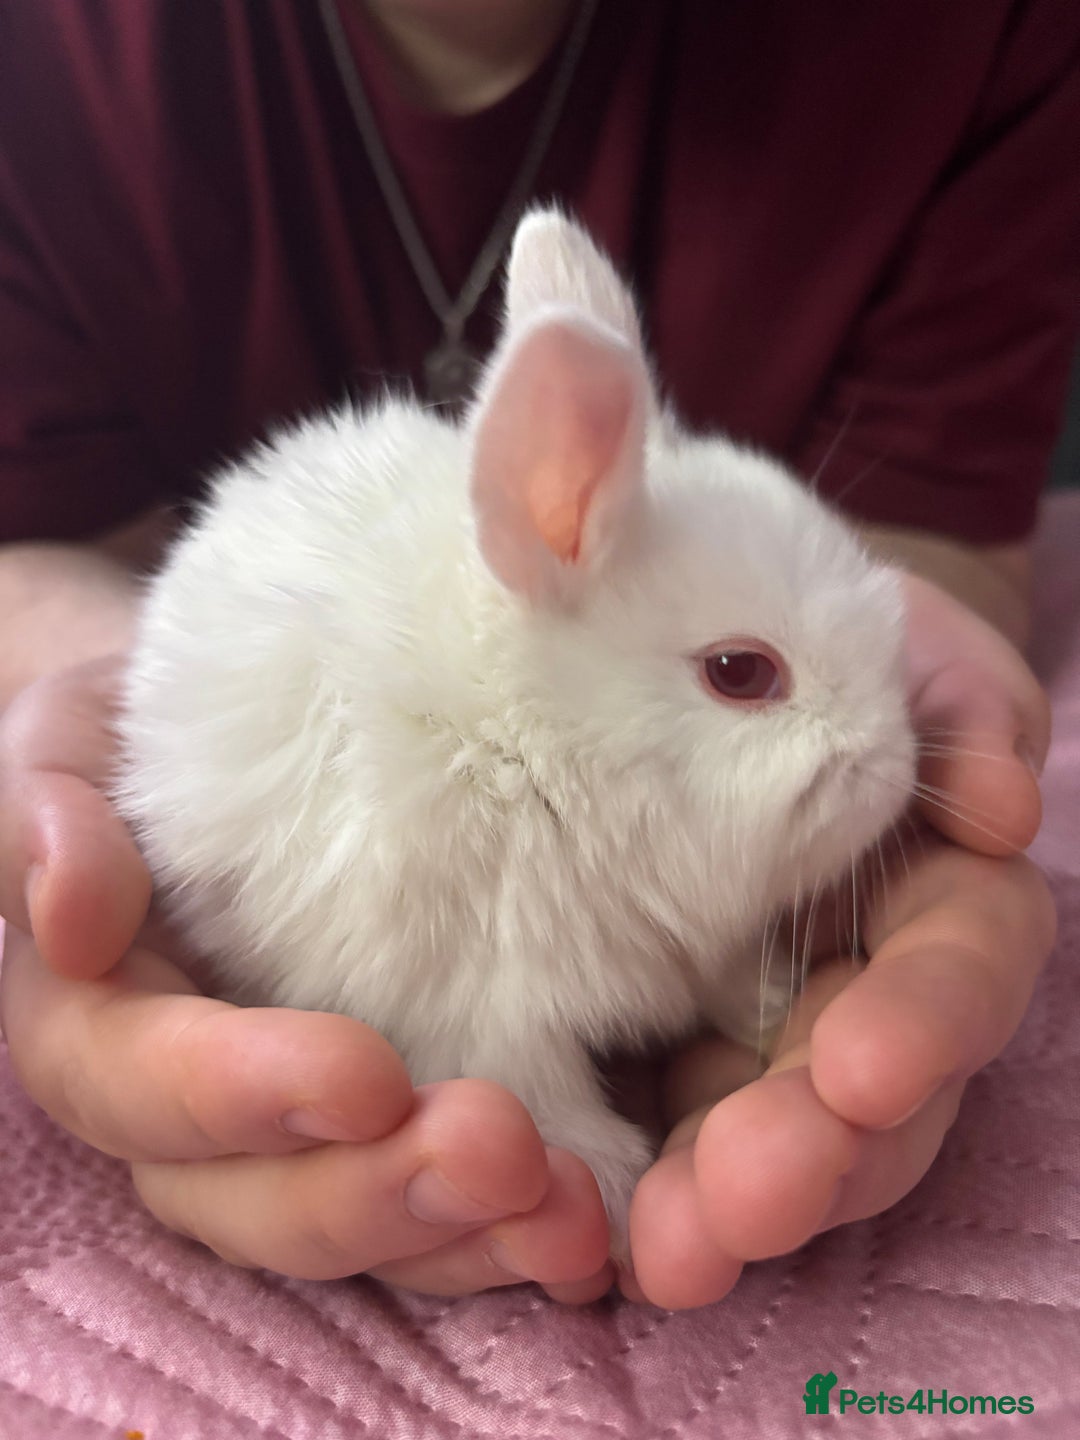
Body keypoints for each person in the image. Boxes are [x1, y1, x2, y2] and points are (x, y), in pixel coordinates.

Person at [0, 0, 1074, 1309]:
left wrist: (768, 931)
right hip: (296, 760)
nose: (879, 745)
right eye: (744, 676)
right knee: (489, 1043)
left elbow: (941, 518)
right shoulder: (52, 66)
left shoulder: (980, 40)